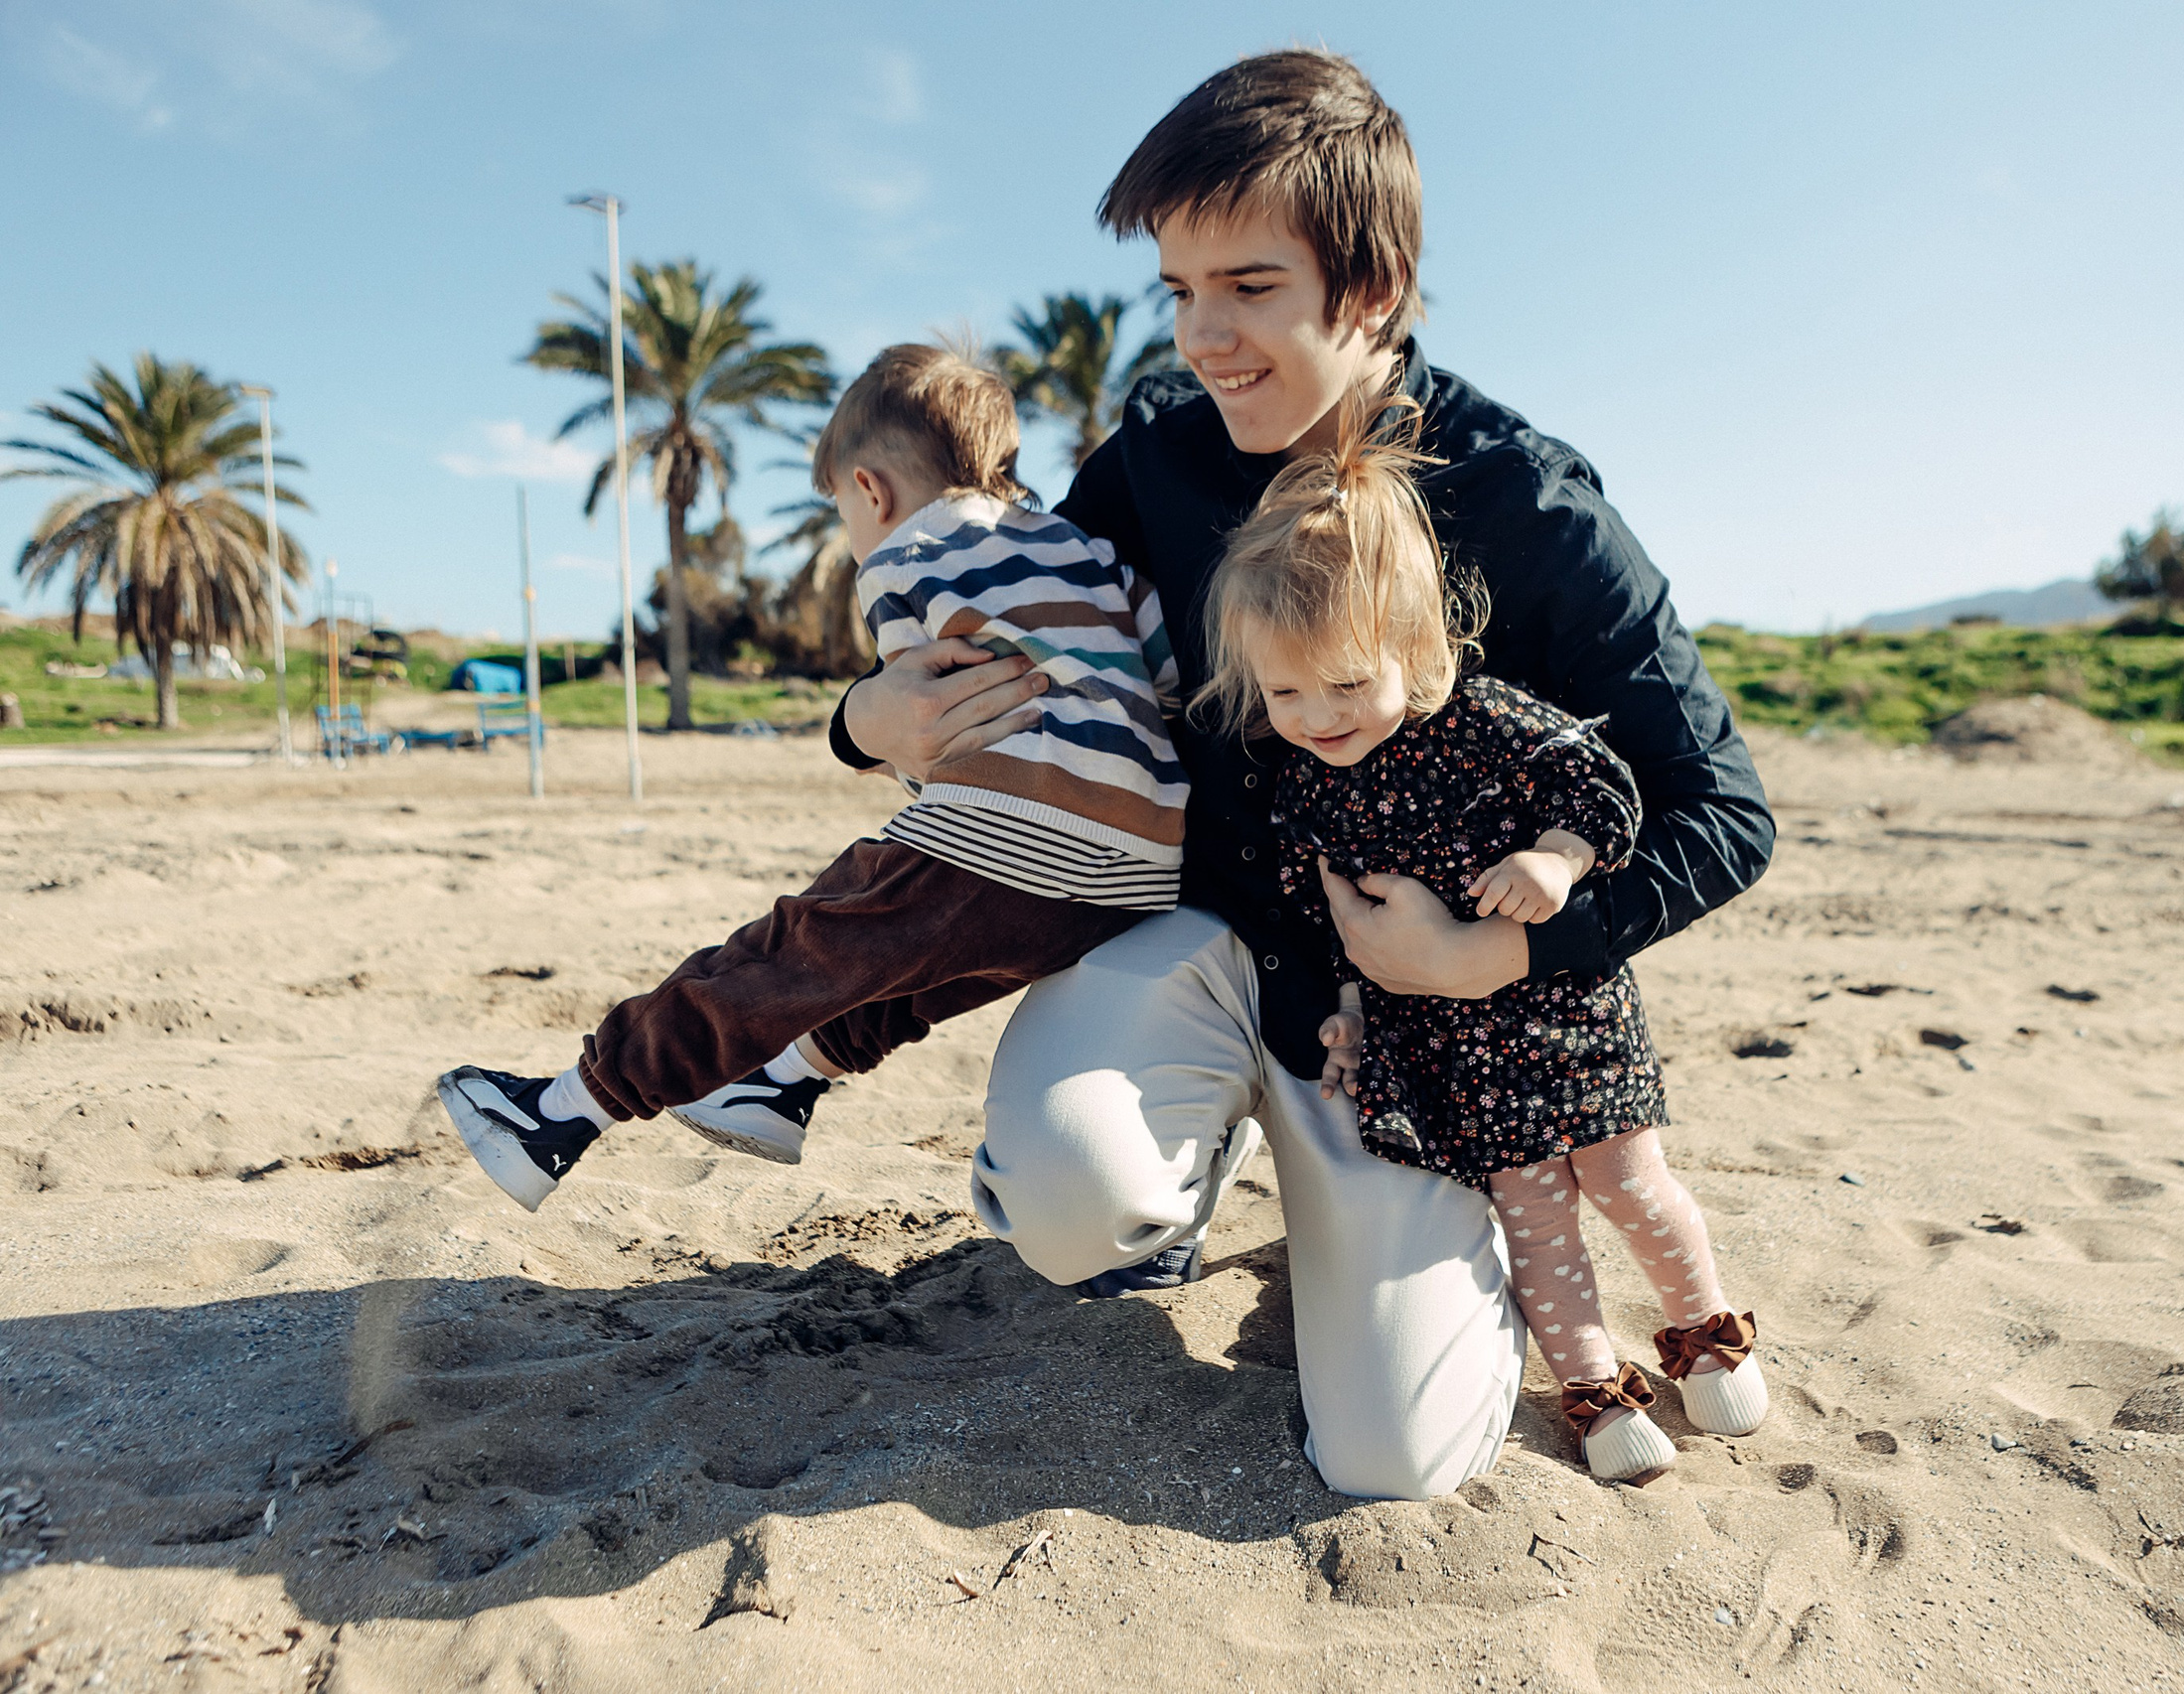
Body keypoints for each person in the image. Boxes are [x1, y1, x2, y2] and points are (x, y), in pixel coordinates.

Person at [834, 51, 1775, 1499]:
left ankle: (1348, 1233)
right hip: (1203, 950)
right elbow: (1006, 640)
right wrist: (866, 720)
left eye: (1252, 287)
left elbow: (1724, 810)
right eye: (1179, 289)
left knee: (1396, 1461)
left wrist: (1496, 952)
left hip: (1423, 1038)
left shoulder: (1524, 501)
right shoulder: (1148, 464)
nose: (1205, 336)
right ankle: (1173, 1177)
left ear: (1375, 288)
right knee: (1072, 1200)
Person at [435, 344, 1188, 1212]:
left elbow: (925, 724)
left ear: (870, 490)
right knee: (917, 979)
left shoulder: (908, 554)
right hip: (1138, 868)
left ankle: (565, 1112)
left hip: (1005, 826)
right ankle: (780, 1084)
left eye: (842, 511)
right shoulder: (1086, 550)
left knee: (797, 953)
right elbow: (1170, 670)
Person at [1193, 396, 1768, 1485]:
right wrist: (1345, 1008)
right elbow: (1319, 910)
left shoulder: (1489, 721)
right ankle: (1596, 1393)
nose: (1318, 715)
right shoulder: (1307, 780)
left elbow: (1602, 781)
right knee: (1537, 1224)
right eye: (1285, 691)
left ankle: (1703, 1329)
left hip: (1567, 1021)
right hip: (1451, 1051)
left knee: (1632, 1186)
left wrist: (1554, 858)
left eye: (1348, 682)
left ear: (1412, 642)